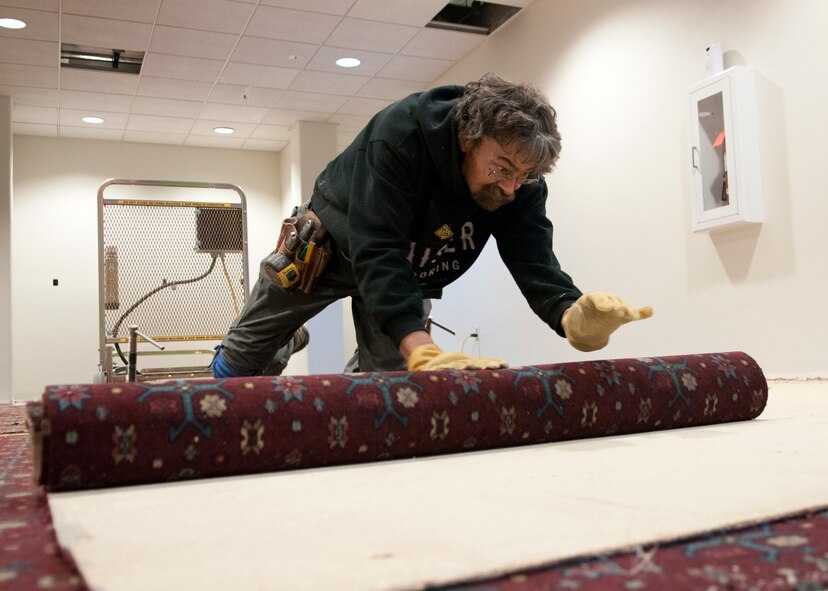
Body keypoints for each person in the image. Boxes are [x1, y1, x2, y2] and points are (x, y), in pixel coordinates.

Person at [211, 73, 652, 378]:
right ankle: (285, 338)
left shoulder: (520, 178)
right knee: (239, 366)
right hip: (330, 248)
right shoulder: (400, 134)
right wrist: (420, 344)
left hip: (407, 271)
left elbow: (532, 258)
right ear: (466, 139)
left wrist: (571, 314)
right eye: (501, 169)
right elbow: (377, 247)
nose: (512, 187)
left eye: (525, 176)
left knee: (393, 387)